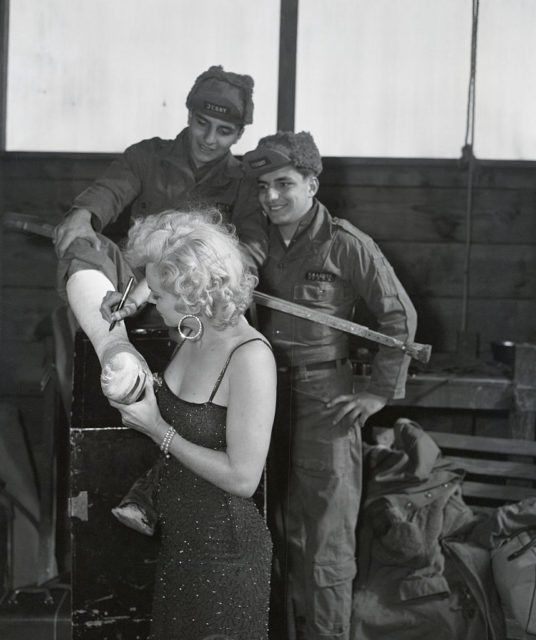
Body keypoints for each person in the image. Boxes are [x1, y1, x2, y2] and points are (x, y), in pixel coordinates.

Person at [242, 131, 418, 640]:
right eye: (263, 187)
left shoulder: (347, 244)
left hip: (327, 402)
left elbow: (398, 317)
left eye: (284, 184)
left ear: (311, 184)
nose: (271, 197)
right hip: (261, 396)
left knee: (325, 544)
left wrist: (378, 393)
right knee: (265, 531)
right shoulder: (254, 241)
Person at [105, 209, 276, 639]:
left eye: (160, 294)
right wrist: (136, 297)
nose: (153, 302)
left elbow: (243, 478)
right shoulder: (194, 329)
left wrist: (156, 428)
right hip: (181, 547)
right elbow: (182, 245)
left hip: (226, 556)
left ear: (193, 292)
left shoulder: (250, 357)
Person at [53, 64, 267, 404]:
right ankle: (115, 350)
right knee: (84, 243)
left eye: (224, 131)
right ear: (188, 116)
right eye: (202, 124)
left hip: (194, 299)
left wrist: (189, 273)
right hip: (129, 285)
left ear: (239, 135)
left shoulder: (245, 183)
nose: (210, 139)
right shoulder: (146, 156)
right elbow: (110, 190)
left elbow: (251, 253)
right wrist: (84, 214)